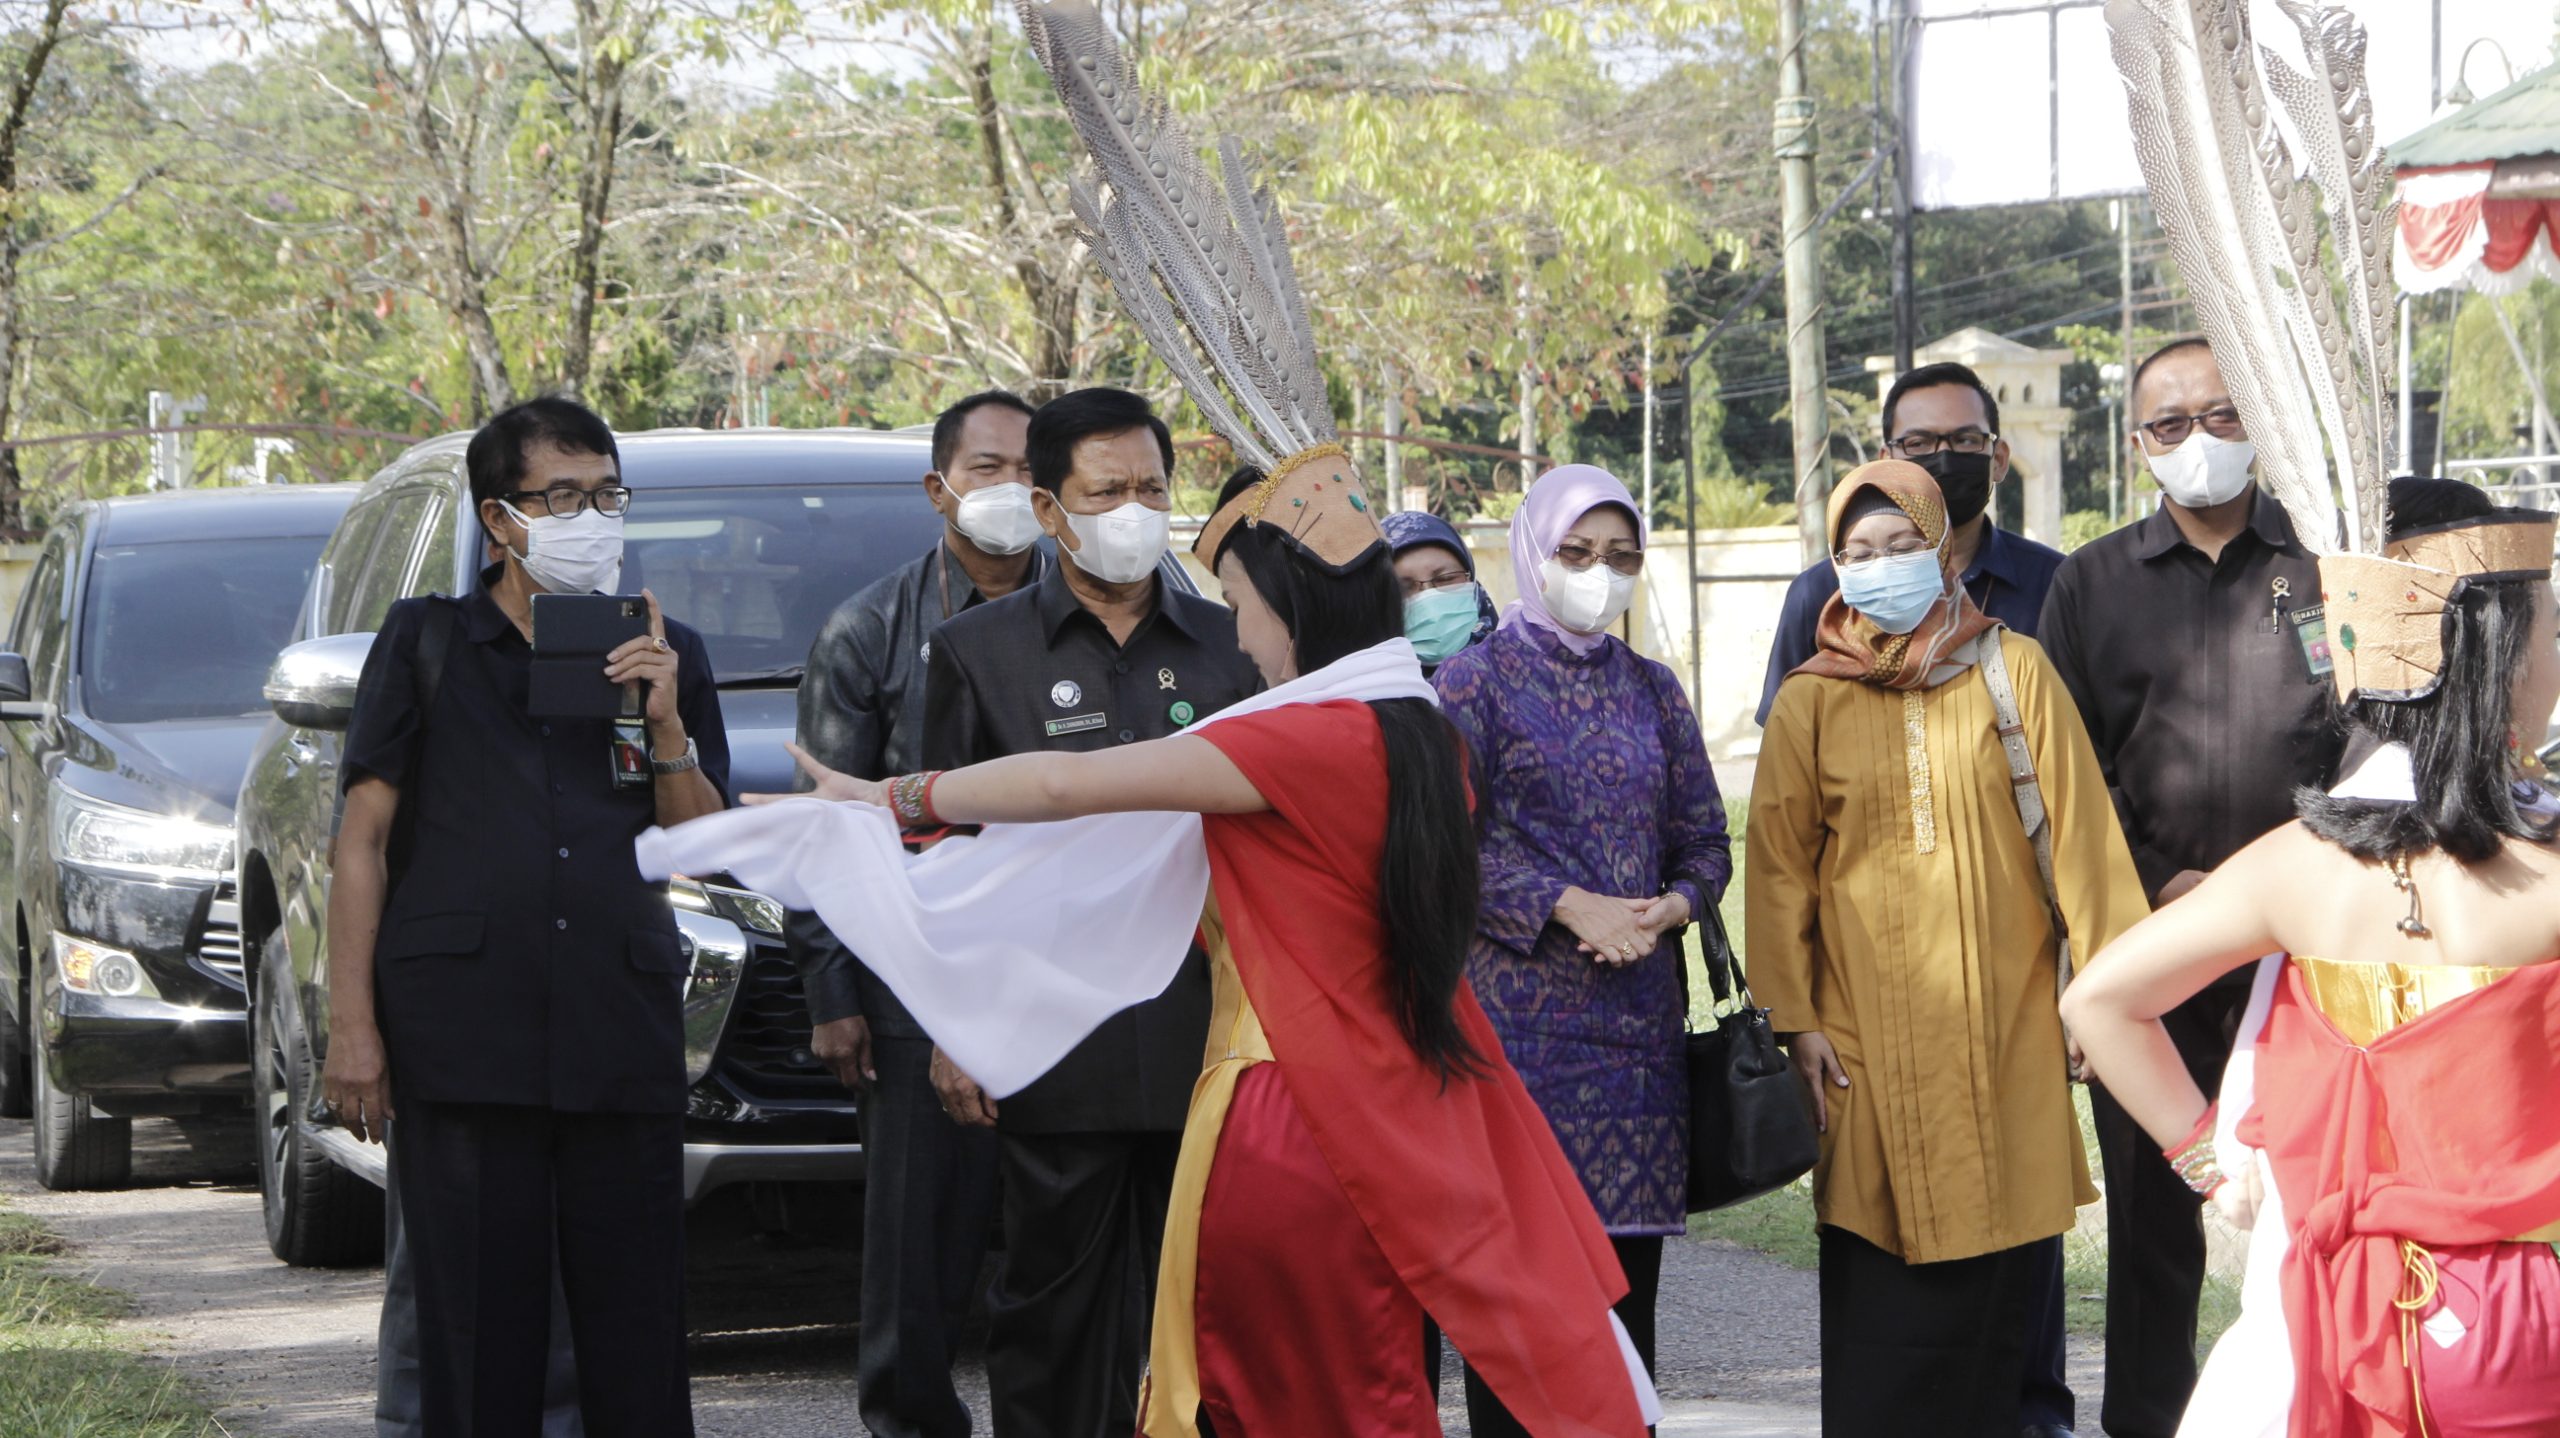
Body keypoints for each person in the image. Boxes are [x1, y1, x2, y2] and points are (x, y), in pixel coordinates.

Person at [636, 452, 1660, 1436]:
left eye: (1243, 602)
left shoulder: (1299, 741)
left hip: (1296, 1115)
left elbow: (1062, 783)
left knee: (1293, 1391)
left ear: (1293, 610)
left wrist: (894, 793)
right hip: (1417, 1104)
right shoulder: (1421, 732)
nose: (1238, 631)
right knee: (1376, 1379)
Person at [2063, 480, 2560, 1437]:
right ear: (2501, 658)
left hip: (2338, 1317)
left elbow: (2099, 1000)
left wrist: (2210, 1162)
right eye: (2548, 635)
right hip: (2523, 1321)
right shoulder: (2544, 873)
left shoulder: (2297, 865)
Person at [323, 396, 729, 1437]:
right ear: (500, 519)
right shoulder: (427, 641)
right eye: (562, 497)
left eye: (606, 494)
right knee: (477, 1339)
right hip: (463, 1035)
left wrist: (666, 718)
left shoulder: (663, 648)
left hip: (616, 1027)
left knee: (636, 1334)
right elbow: (361, 841)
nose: (590, 517)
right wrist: (352, 1027)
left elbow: (700, 845)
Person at [1747, 459, 2149, 1438]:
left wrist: (2106, 994)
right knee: (1881, 1310)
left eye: (1898, 545)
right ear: (1834, 568)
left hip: (2001, 1031)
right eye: (1856, 551)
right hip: (1864, 1045)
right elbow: (1776, 871)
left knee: (2000, 1309)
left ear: (1939, 547)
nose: (1879, 566)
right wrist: (1794, 1021)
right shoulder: (1810, 699)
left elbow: (2084, 842)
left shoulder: (2013, 669)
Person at [917, 386, 1257, 1438]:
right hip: (1053, 1038)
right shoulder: (978, 653)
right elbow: (945, 855)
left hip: (1207, 1037)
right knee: (1050, 1315)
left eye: (1152, 487)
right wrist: (954, 1029)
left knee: (1209, 1313)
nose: (1134, 509)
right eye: (1106, 490)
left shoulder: (1232, 644)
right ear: (1048, 506)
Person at [2035, 336, 2348, 1438]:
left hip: (2309, 963)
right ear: (2137, 445)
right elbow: (2060, 772)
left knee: (2320, 1227)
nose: (2198, 442)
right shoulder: (2089, 582)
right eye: (2169, 425)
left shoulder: (2323, 560)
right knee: (2153, 1246)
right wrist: (2145, 894)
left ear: (2258, 418)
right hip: (2152, 965)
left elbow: (2367, 745)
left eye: (2221, 415)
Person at [1432, 462, 1729, 1433]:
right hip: (1518, 1053)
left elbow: (1705, 838)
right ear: (1532, 551)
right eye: (1576, 553)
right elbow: (1434, 848)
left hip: (1638, 1062)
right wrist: (1566, 904)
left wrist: (1669, 908)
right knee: (1523, 1322)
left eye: (1619, 557)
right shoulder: (1470, 683)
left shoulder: (1651, 687)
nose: (1598, 574)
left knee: (1622, 1322)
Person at [788, 388, 1041, 1438]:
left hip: (1053, 970)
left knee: (1055, 1234)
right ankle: (911, 1421)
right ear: (940, 489)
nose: (1011, 488)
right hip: (908, 976)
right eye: (988, 468)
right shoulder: (869, 628)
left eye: (1030, 467)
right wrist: (831, 991)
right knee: (916, 1249)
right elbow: (826, 824)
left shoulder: (1098, 608)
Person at [1757, 361, 2067, 727]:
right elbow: (1786, 743)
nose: (1944, 457)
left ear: (1998, 460)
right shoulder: (1821, 593)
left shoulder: (2054, 583)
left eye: (1966, 441)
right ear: (1885, 461)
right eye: (1918, 443)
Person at [1382, 509, 1497, 674]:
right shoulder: (1366, 693)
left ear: (1471, 580)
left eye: (1446, 579)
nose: (1429, 598)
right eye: (1404, 588)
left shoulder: (1519, 667)